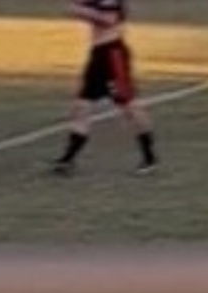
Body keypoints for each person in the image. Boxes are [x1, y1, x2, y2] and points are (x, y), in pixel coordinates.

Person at [51, 0, 158, 177]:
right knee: (81, 105)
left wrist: (81, 11)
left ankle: (149, 156)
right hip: (97, 55)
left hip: (112, 54)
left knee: (128, 106)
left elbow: (109, 19)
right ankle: (67, 159)